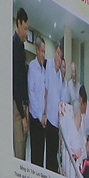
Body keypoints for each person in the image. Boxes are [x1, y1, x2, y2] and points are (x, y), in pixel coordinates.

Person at [27, 36, 54, 169]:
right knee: (35, 157)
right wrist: (39, 115)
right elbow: (31, 94)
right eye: (42, 51)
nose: (43, 54)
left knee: (41, 155)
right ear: (37, 50)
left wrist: (45, 114)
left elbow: (45, 94)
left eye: (45, 52)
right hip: (35, 118)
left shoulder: (44, 70)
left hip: (43, 119)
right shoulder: (32, 67)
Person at [11, 7, 32, 161]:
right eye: (25, 28)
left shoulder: (21, 46)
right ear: (19, 23)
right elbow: (15, 84)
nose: (26, 32)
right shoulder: (14, 45)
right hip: (18, 108)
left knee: (24, 148)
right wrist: (23, 115)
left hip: (23, 107)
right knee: (19, 153)